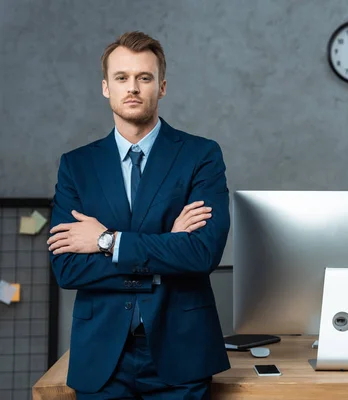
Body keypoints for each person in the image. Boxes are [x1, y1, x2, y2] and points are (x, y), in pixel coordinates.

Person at [47, 31, 230, 399]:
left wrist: (105, 241)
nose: (133, 87)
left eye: (144, 78)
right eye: (122, 78)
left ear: (161, 87)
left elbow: (201, 254)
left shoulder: (201, 156)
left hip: (181, 353)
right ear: (105, 87)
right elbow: (67, 269)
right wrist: (166, 251)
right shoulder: (77, 166)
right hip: (100, 357)